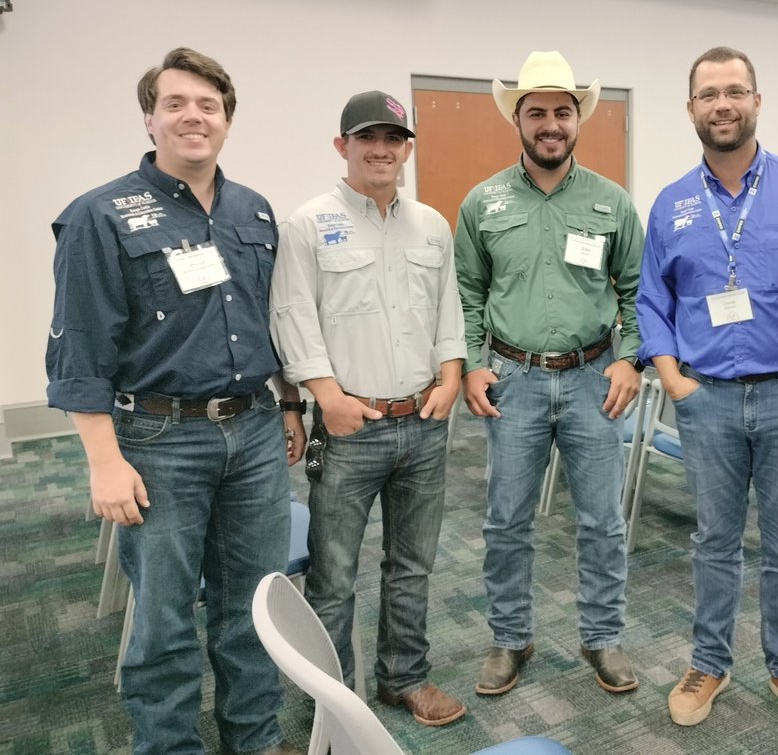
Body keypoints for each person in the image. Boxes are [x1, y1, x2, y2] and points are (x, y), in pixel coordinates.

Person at [45, 47, 303, 755]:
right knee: (162, 622)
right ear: (150, 117)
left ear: (227, 121)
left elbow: (265, 320)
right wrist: (104, 461)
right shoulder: (100, 215)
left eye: (208, 105)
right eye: (176, 103)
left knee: (253, 609)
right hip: (159, 442)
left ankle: (253, 740)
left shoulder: (254, 209)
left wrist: (287, 407)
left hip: (251, 434)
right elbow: (80, 350)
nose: (194, 116)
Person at [637, 45, 778, 738]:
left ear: (756, 101)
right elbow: (652, 301)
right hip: (705, 401)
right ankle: (710, 661)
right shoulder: (673, 203)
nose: (722, 105)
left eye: (735, 91)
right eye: (709, 95)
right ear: (691, 110)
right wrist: (674, 379)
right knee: (714, 541)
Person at [269, 91, 467, 726]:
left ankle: (403, 678)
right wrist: (326, 398)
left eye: (393, 139)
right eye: (366, 139)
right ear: (342, 147)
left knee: (411, 564)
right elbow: (291, 317)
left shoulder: (432, 224)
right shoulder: (308, 224)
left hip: (424, 422)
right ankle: (336, 702)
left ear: (407, 147)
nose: (381, 150)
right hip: (350, 428)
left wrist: (450, 378)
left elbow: (449, 312)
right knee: (332, 575)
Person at [454, 50, 644, 698]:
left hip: (595, 378)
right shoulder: (484, 203)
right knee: (506, 520)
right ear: (519, 121)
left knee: (602, 521)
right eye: (537, 112)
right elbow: (468, 293)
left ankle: (602, 636)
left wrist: (631, 356)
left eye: (563, 111)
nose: (551, 123)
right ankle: (511, 638)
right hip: (514, 381)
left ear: (578, 120)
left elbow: (637, 291)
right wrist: (474, 367)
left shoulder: (611, 202)